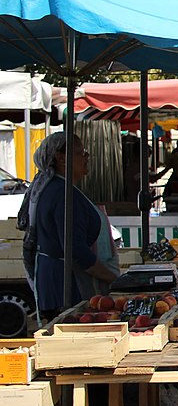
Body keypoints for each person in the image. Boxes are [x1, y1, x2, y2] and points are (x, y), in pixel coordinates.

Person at [25, 133, 120, 315]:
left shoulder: (56, 189)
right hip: (66, 288)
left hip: (55, 283)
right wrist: (114, 279)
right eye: (81, 153)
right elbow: (76, 251)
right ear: (61, 159)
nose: (87, 157)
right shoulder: (63, 195)